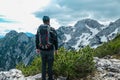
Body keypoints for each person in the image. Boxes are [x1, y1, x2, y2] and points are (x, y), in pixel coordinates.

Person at [35, 16, 58, 80]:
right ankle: (50, 78)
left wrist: (37, 48)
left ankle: (43, 78)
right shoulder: (52, 29)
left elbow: (37, 38)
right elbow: (55, 40)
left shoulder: (39, 29)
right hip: (50, 50)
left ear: (43, 21)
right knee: (50, 66)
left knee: (43, 65)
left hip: (42, 49)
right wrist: (56, 49)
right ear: (49, 21)